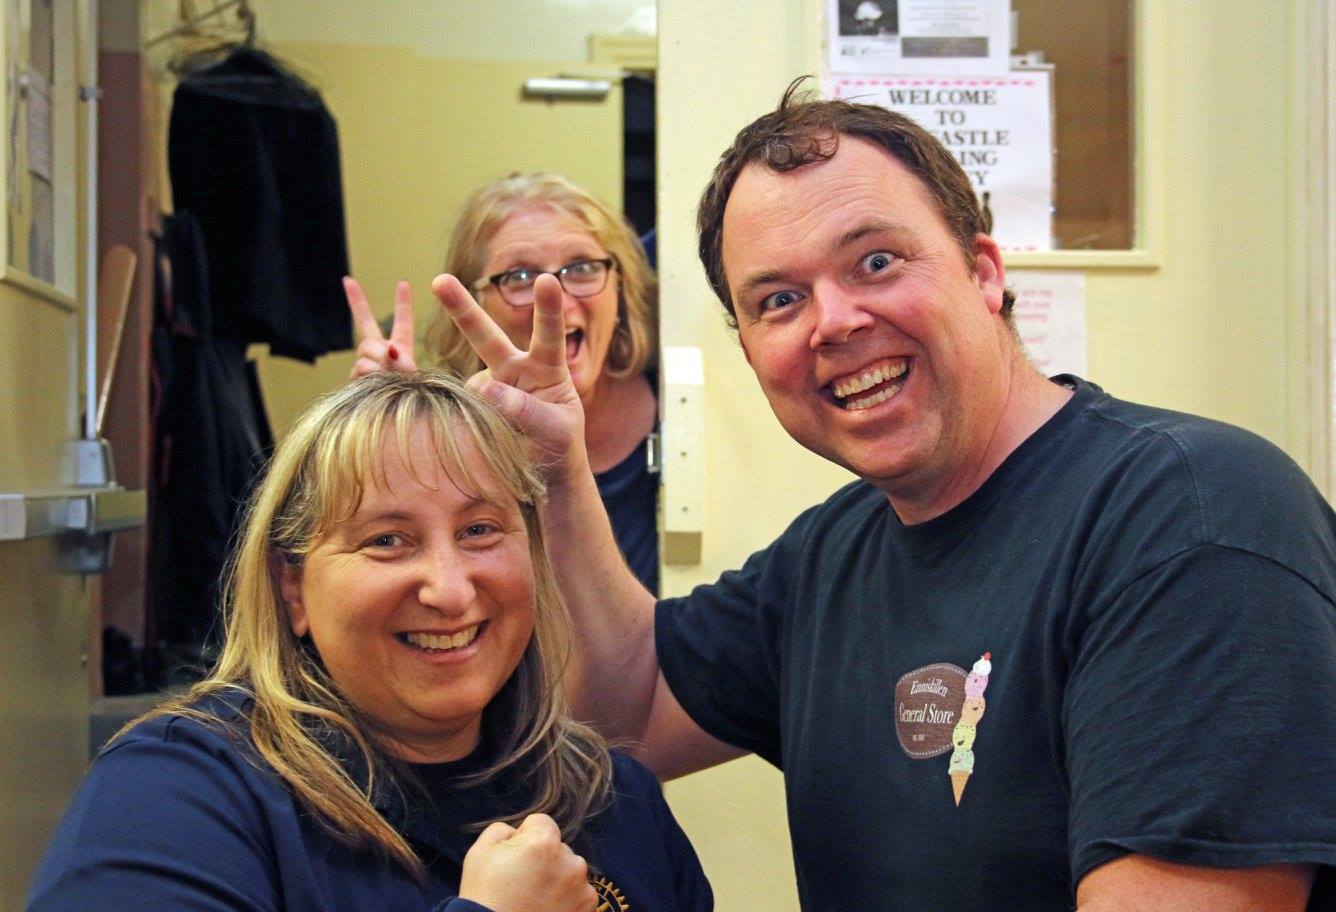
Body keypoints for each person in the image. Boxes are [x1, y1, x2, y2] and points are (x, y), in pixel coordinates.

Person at [426, 83, 1336, 910]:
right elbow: (630, 709)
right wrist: (558, 469)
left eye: (875, 263)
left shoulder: (1190, 518)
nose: (834, 322)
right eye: (778, 301)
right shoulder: (833, 555)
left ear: (985, 272)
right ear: (750, 352)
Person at [28, 370, 712, 912]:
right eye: (387, 540)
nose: (450, 590)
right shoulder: (177, 793)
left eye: (479, 530)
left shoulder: (612, 796)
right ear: (293, 588)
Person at [343, 172, 661, 592]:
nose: (555, 299)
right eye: (520, 277)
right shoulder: (454, 439)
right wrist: (396, 436)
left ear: (621, 286)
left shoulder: (685, 408)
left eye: (582, 268)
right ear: (474, 305)